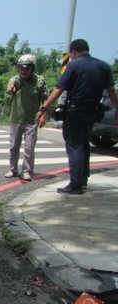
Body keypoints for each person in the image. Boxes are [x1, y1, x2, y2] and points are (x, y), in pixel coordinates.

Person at [36, 39, 118, 194]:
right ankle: (83, 178)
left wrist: (43, 107)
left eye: (71, 55)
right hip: (93, 112)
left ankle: (75, 184)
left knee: (74, 145)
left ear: (73, 52)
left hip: (76, 112)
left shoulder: (73, 65)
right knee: (84, 143)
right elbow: (111, 91)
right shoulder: (104, 66)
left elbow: (59, 88)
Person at [5, 54, 49, 181]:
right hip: (15, 119)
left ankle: (27, 171)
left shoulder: (39, 81)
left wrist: (43, 116)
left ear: (32, 69)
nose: (24, 71)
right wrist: (10, 88)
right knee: (14, 146)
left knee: (29, 147)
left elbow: (46, 99)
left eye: (27, 68)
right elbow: (11, 84)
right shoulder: (15, 79)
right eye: (21, 68)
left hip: (31, 120)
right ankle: (13, 169)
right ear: (18, 69)